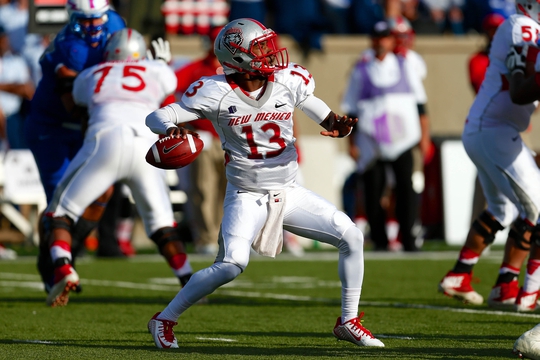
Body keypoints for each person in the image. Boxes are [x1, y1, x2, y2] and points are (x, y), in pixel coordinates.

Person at [145, 18, 384, 349]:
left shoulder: (288, 80)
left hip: (288, 191)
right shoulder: (214, 90)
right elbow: (156, 116)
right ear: (236, 55)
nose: (270, 53)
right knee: (231, 265)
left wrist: (336, 124)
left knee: (352, 237)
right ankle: (164, 319)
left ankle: (348, 320)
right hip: (246, 195)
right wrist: (170, 129)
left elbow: (321, 112)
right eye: (259, 47)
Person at [43, 28, 194, 307]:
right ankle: (188, 281)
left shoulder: (91, 74)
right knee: (163, 224)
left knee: (60, 213)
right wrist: (161, 64)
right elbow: (167, 92)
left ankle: (64, 267)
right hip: (145, 144)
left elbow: (76, 103)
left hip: (106, 139)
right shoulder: (156, 70)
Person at [437, 1, 540, 309]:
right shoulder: (524, 27)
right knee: (536, 209)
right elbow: (521, 88)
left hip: (491, 129)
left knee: (503, 210)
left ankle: (461, 275)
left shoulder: (524, 29)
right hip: (494, 131)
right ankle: (527, 292)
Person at [26, 0, 126, 294]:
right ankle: (51, 266)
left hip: (87, 122)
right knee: (60, 202)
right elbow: (74, 106)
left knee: (102, 190)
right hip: (54, 126)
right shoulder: (72, 46)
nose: (95, 26)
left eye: (99, 18)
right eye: (86, 19)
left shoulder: (115, 24)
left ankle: (71, 253)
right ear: (72, 17)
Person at [341, 20, 430, 252]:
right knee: (372, 192)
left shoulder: (406, 65)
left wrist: (424, 137)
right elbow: (350, 108)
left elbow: (421, 106)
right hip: (372, 141)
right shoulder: (360, 69)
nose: (381, 42)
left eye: (386, 37)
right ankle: (380, 240)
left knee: (406, 189)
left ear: (392, 41)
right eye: (378, 37)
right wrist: (352, 142)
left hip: (403, 139)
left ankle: (409, 238)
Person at [174, 26, 227, 255]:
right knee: (204, 190)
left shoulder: (236, 68)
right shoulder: (196, 69)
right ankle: (206, 237)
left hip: (231, 137)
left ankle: (228, 237)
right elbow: (170, 89)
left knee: (231, 191)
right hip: (205, 138)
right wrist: (184, 125)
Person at [0, 24, 33, 150]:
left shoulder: (16, 61)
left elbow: (27, 90)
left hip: (14, 119)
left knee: (19, 156)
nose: (4, 41)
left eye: (4, 37)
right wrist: (12, 87)